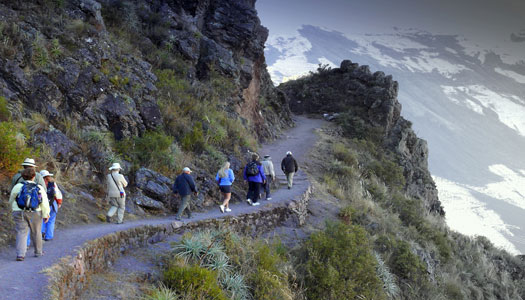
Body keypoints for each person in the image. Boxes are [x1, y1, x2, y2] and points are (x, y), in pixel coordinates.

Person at [9, 168, 50, 261]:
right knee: (36, 232)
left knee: (21, 232)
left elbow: (11, 199)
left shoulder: (18, 186)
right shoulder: (39, 187)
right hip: (35, 212)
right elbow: (44, 202)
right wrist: (46, 214)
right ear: (34, 176)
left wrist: (13, 208)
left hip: (19, 212)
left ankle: (20, 254)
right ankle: (38, 252)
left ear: (23, 176)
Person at [39, 170, 63, 241]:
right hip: (53, 204)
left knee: (42, 220)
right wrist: (59, 203)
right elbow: (58, 194)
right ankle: (49, 236)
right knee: (51, 220)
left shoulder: (39, 184)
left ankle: (40, 235)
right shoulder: (52, 184)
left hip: (43, 204)